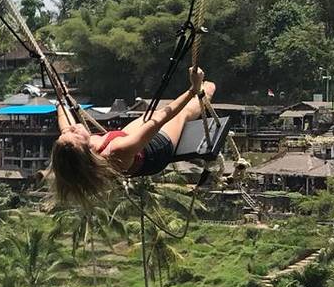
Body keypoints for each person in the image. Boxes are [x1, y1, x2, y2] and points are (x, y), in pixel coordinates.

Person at [48, 67, 216, 204]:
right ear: (83, 148)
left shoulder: (77, 150)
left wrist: (59, 100)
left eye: (65, 133)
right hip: (156, 152)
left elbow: (65, 124)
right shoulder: (118, 150)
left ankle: (202, 90)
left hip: (126, 138)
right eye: (73, 132)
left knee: (155, 112)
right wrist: (193, 89)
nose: (71, 128)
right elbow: (159, 120)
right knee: (183, 113)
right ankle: (207, 92)